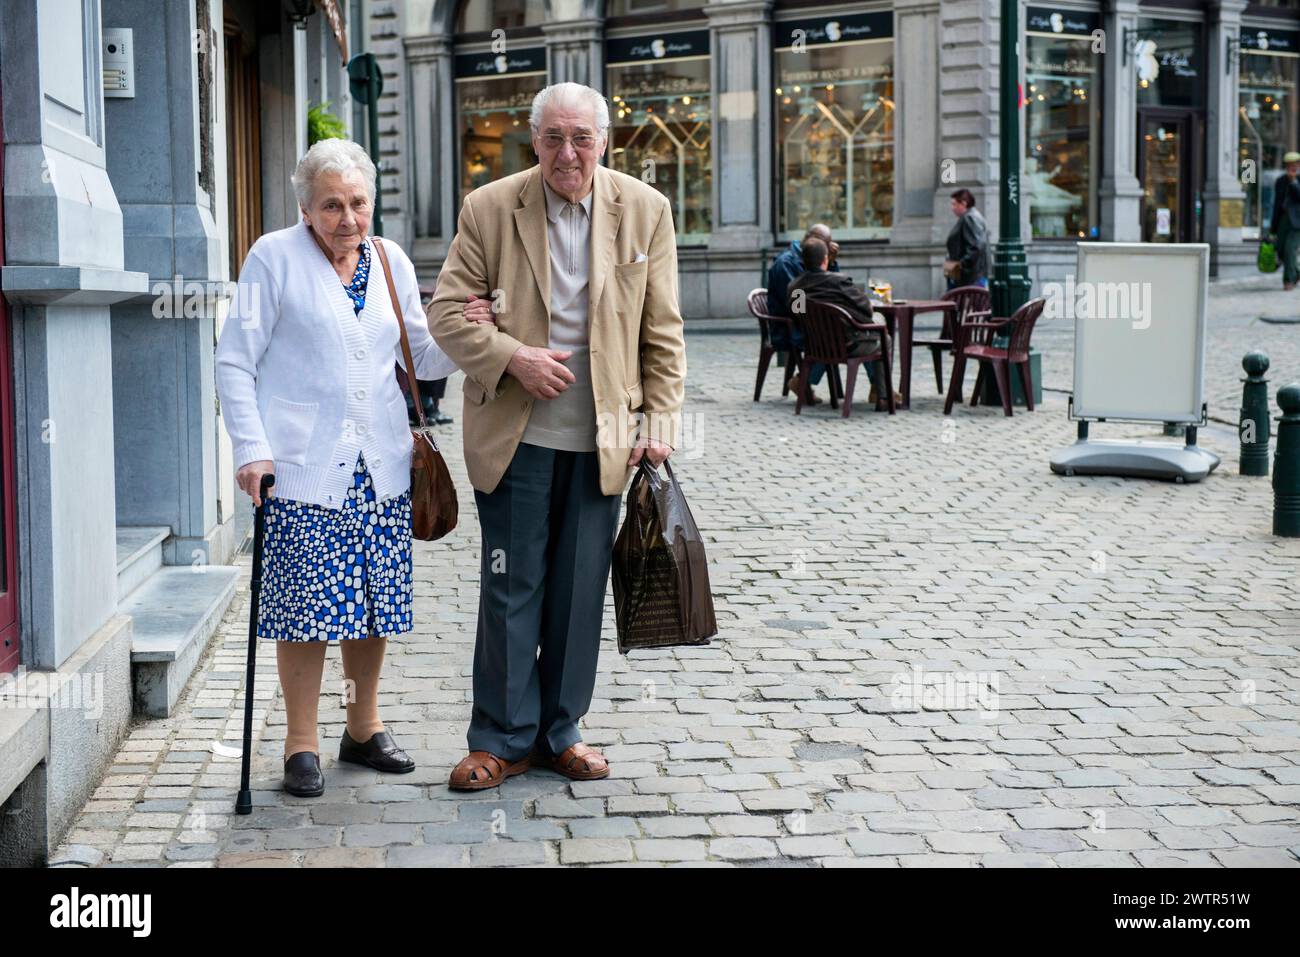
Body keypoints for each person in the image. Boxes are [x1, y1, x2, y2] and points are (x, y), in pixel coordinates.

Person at [429, 82, 686, 790]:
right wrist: (514, 355)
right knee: (512, 586)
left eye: (581, 137)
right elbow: (447, 315)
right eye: (552, 138)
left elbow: (662, 329)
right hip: (515, 437)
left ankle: (560, 730)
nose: (566, 152)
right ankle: (501, 737)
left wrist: (659, 419)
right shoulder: (490, 207)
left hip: (604, 437)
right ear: (532, 139)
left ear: (604, 140)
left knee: (579, 593)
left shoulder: (645, 209)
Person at [215, 138, 468, 799]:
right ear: (305, 206)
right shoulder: (273, 258)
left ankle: (363, 725)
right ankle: (302, 741)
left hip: (380, 464)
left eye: (358, 202)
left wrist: (470, 333)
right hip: (300, 464)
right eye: (332, 205)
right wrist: (251, 448)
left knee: (373, 603)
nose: (347, 217)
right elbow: (234, 361)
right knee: (304, 607)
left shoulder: (388, 259)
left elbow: (421, 356)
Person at [786, 238, 891, 402]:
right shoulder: (838, 282)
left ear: (802, 260)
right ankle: (881, 393)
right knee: (884, 334)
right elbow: (866, 309)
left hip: (815, 344)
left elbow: (797, 316)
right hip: (849, 345)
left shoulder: (794, 287)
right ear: (825, 259)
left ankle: (802, 380)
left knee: (831, 339)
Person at [768, 224, 839, 404]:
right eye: (826, 244)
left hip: (810, 320)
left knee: (846, 334)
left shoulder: (817, 259)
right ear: (810, 240)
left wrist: (831, 263)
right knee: (834, 338)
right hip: (790, 326)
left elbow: (833, 288)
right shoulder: (786, 263)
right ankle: (802, 382)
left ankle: (878, 389)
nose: (829, 248)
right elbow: (798, 305)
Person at [945, 188, 989, 289]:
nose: (952, 208)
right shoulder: (970, 217)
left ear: (964, 203)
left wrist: (959, 265)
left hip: (968, 277)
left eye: (954, 204)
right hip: (963, 274)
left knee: (961, 302)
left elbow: (976, 247)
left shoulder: (970, 218)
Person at [1269, 151, 1300, 290]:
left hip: (1297, 222)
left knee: (1290, 250)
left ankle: (1288, 281)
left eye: (1295, 165)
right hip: (1282, 219)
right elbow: (1276, 203)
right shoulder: (1280, 181)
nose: (1292, 168)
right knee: (1280, 250)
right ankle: (1296, 273)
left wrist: (1293, 182)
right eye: (1289, 165)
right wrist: (1273, 226)